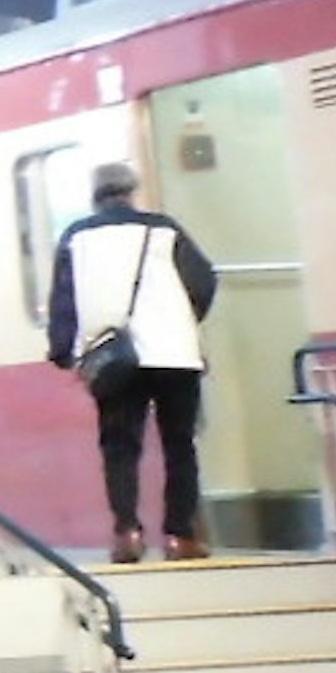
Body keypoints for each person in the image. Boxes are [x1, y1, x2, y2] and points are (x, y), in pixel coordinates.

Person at [45, 159, 221, 564]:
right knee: (180, 444)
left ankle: (128, 532)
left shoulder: (76, 237)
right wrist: (181, 321)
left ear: (95, 196)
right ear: (132, 190)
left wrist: (63, 353)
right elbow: (204, 280)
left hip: (113, 358)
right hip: (175, 353)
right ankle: (182, 536)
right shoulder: (165, 229)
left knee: (120, 447)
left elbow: (63, 301)